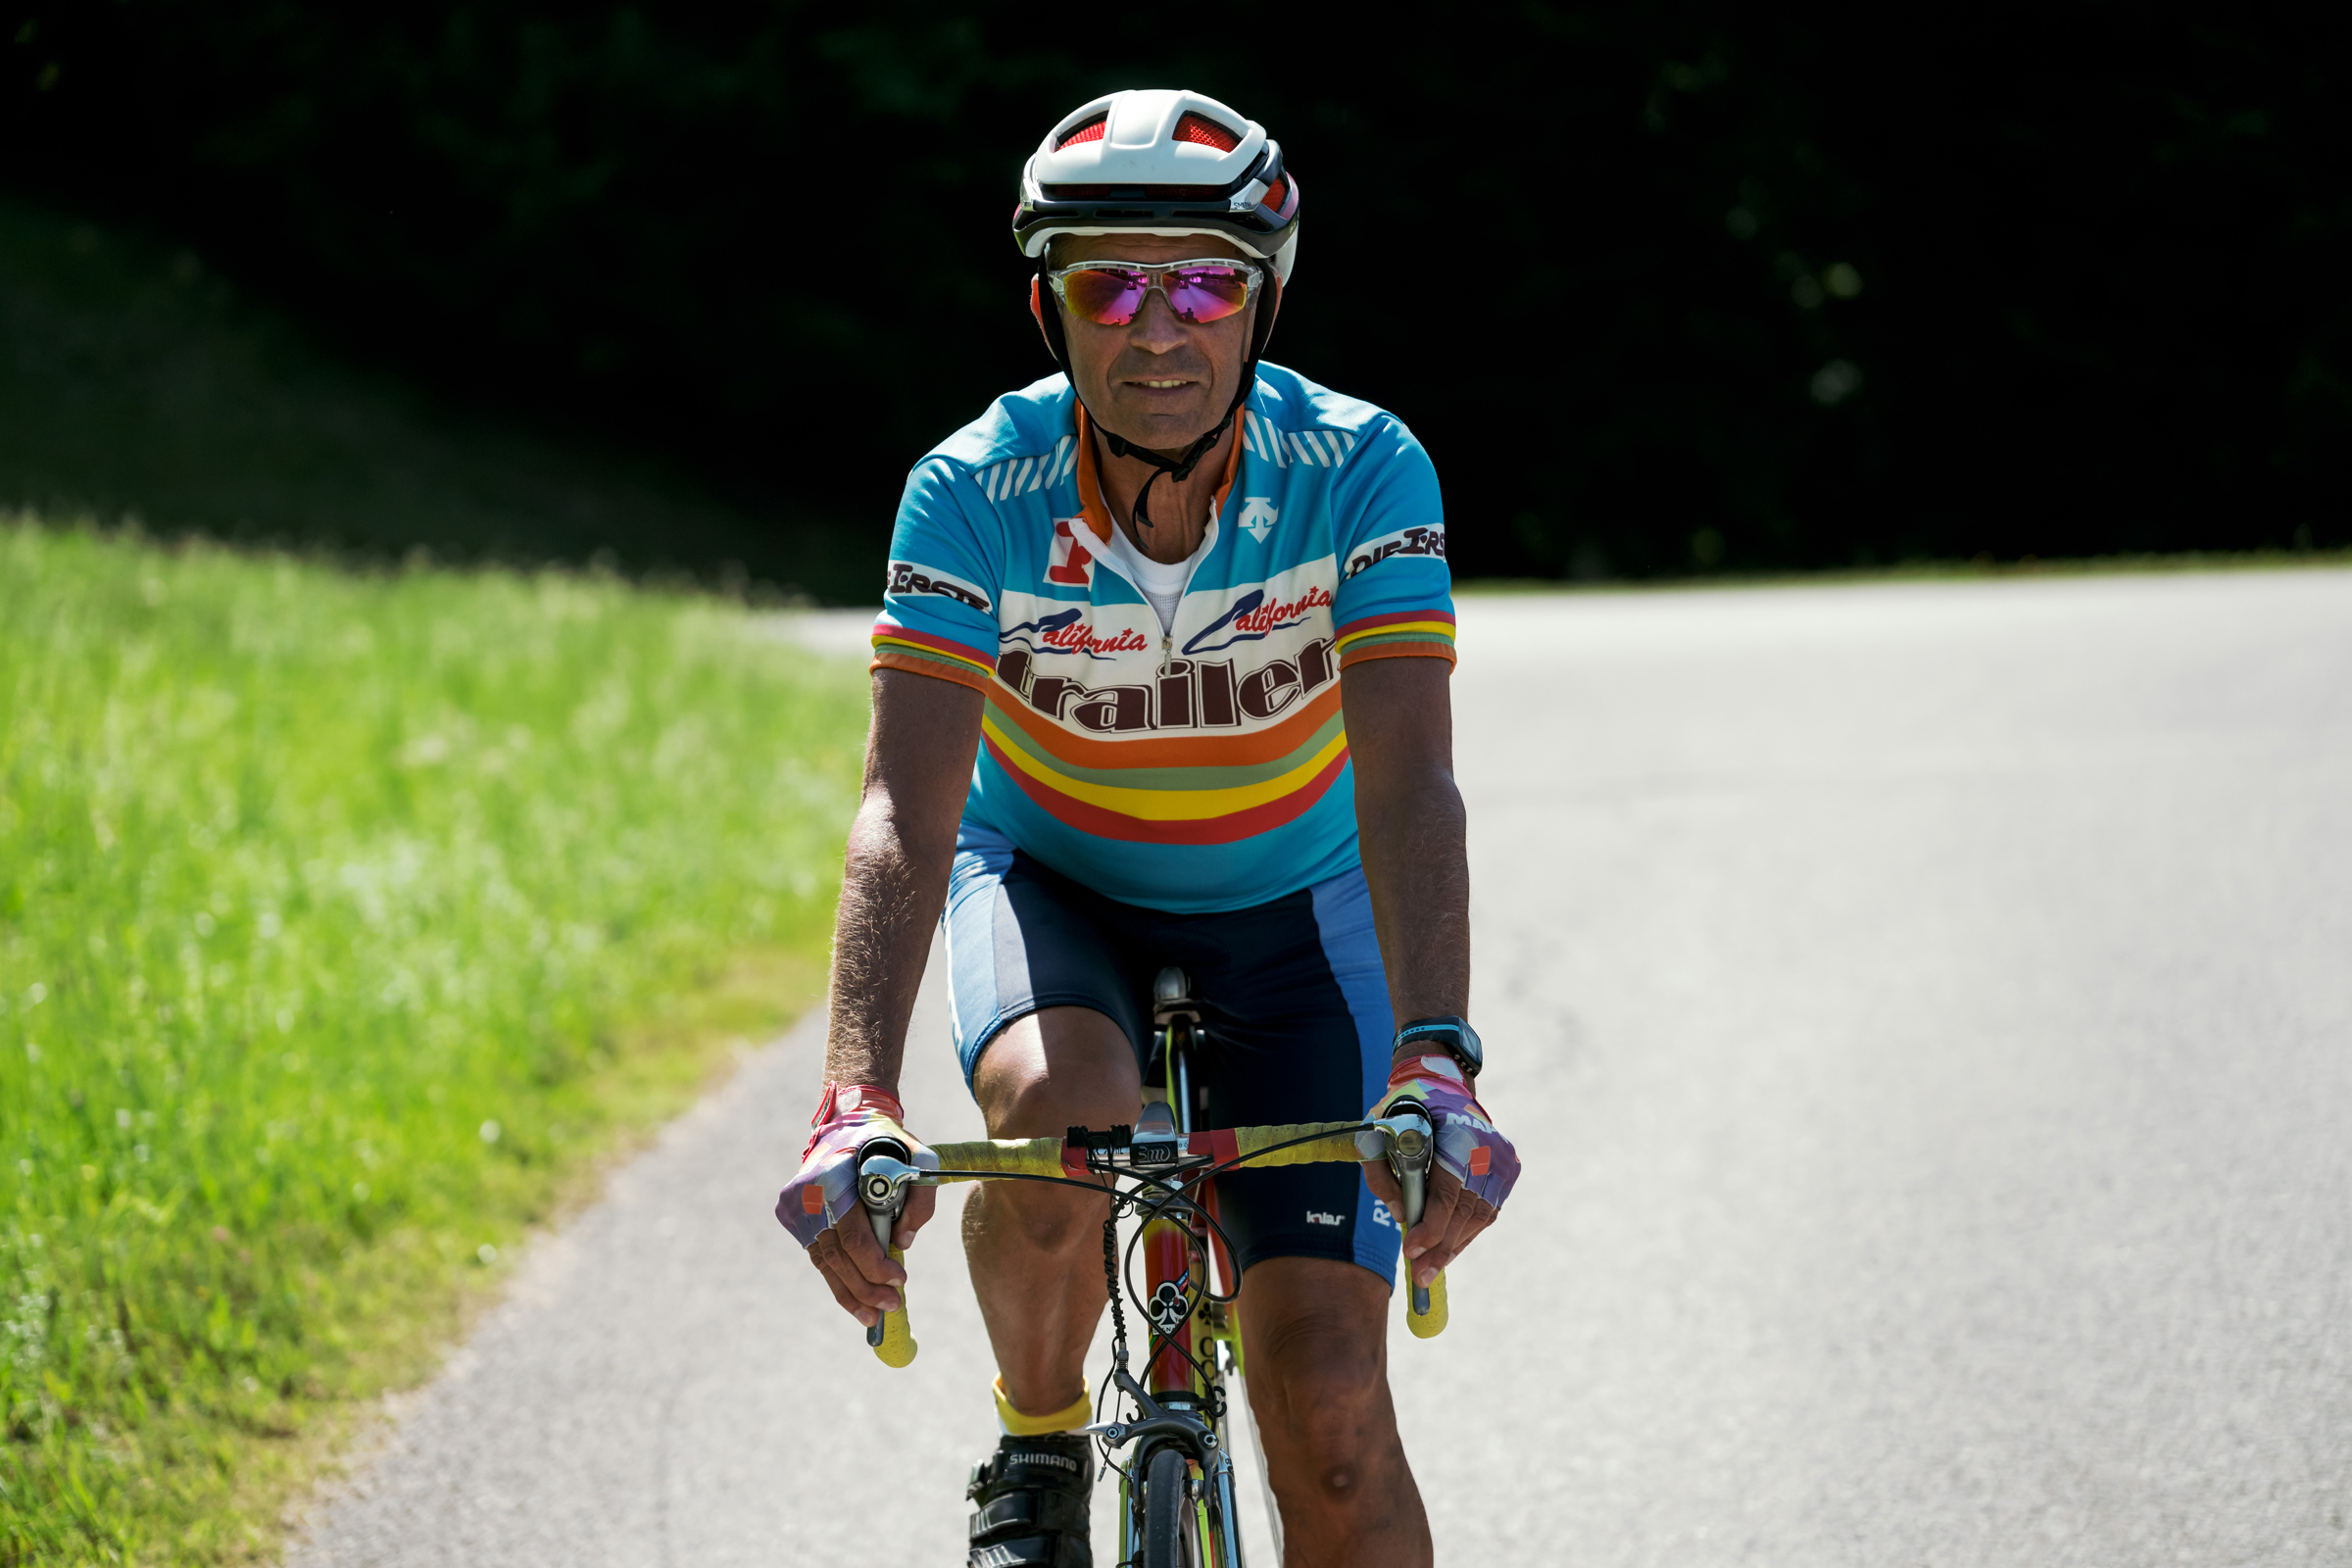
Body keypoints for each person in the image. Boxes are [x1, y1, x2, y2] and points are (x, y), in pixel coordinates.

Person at [775, 87, 1520, 1568]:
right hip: (1056, 888)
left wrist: (1438, 1056)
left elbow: (1407, 784)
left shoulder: (1363, 469)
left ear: (1264, 303)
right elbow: (906, 813)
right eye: (1110, 285)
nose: (1159, 327)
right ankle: (1039, 1443)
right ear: (1049, 309)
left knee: (1333, 1416)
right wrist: (853, 1092)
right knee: (1057, 1112)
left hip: (1298, 920)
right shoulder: (970, 490)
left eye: (1204, 286)